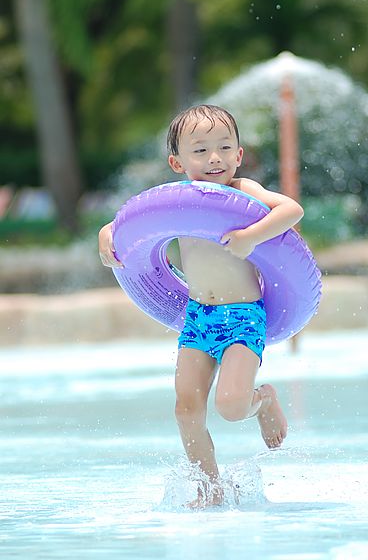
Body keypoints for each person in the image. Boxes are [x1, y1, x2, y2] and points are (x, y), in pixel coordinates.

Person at [98, 104, 304, 508]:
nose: (215, 158)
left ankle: (262, 400)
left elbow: (292, 210)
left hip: (244, 316)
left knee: (229, 406)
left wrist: (252, 236)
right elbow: (129, 224)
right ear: (177, 161)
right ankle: (210, 488)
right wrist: (106, 235)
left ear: (239, 155)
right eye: (201, 150)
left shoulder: (244, 192)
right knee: (186, 408)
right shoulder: (175, 201)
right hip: (198, 317)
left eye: (225, 147)